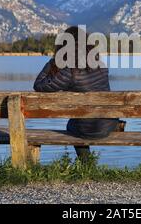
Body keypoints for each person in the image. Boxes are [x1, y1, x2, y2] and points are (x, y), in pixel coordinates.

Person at [33, 26, 121, 160]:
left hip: (88, 128)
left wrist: (53, 62)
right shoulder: (100, 65)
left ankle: (86, 162)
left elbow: (39, 85)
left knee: (72, 124)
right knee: (80, 119)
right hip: (108, 122)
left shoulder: (69, 72)